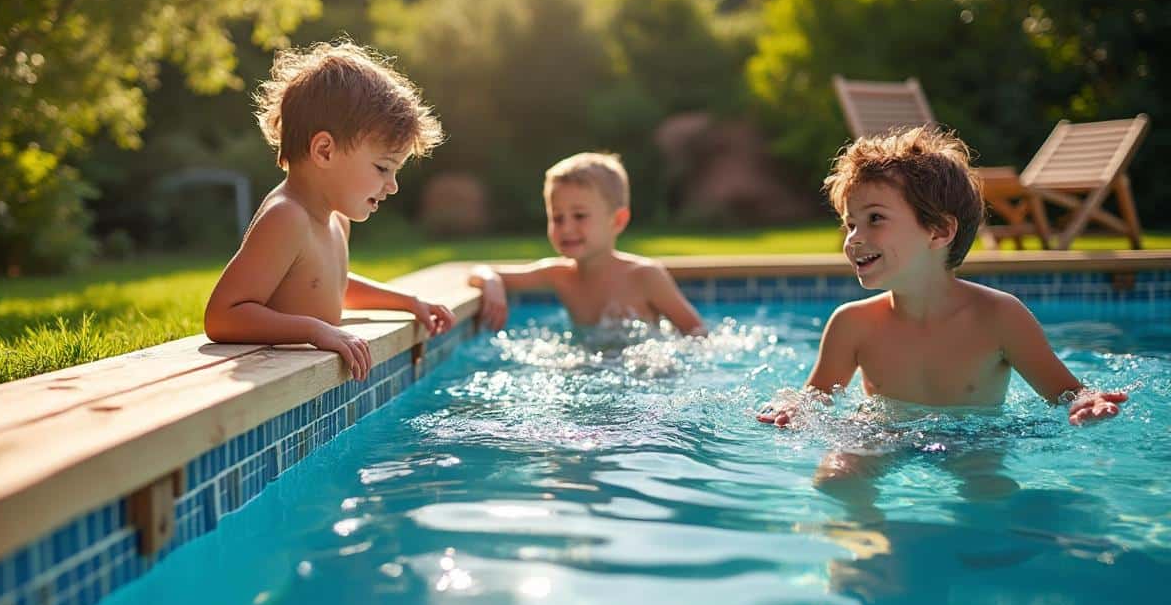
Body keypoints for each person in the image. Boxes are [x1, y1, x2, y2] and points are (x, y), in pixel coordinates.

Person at [757, 126, 1126, 433]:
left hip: (975, 442)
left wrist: (1086, 401)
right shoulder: (851, 324)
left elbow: (1065, 393)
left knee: (986, 488)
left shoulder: (999, 317)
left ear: (939, 231)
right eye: (850, 224)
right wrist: (792, 406)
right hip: (885, 435)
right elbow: (815, 397)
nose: (853, 238)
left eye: (875, 218)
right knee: (837, 477)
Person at [205, 40, 455, 380]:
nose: (393, 186)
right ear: (324, 151)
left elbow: (328, 284)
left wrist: (406, 301)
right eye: (383, 168)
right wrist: (313, 330)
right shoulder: (287, 217)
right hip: (282, 385)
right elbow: (223, 316)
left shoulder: (335, 220)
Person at [468, 152, 705, 334]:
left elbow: (696, 332)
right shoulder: (559, 275)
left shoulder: (645, 276)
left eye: (579, 216)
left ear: (618, 221)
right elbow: (478, 270)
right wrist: (491, 281)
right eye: (557, 218)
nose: (566, 228)